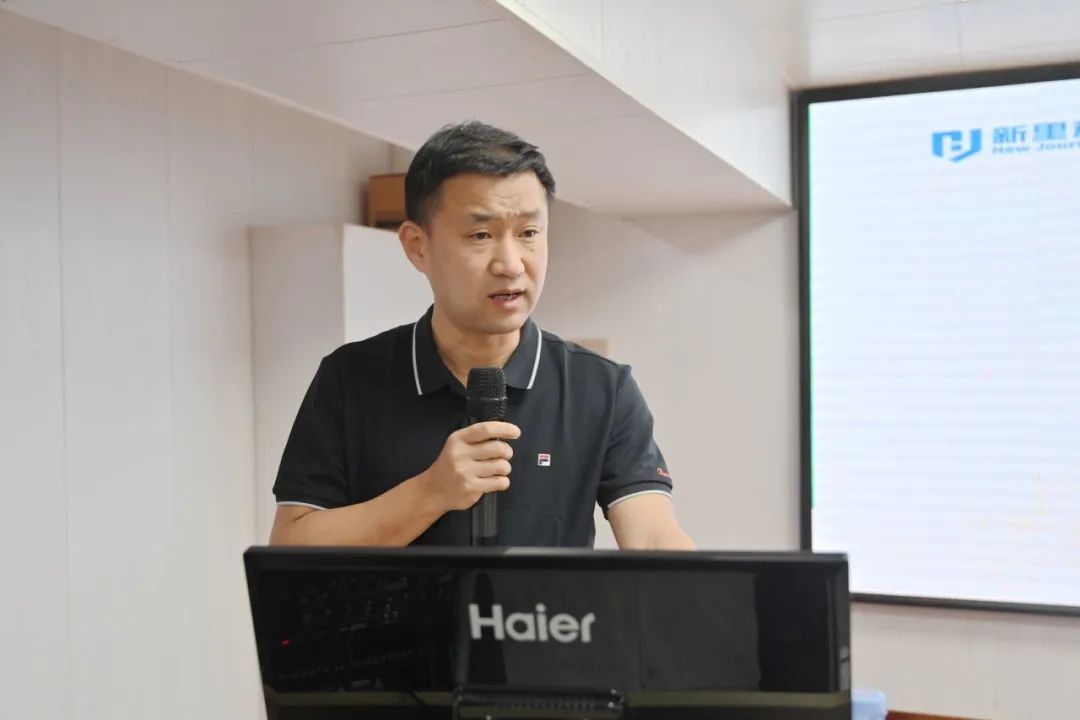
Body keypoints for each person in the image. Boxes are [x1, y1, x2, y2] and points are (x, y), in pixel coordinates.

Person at [269, 121, 694, 550]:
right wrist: (430, 492)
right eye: (481, 235)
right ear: (417, 246)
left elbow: (654, 538)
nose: (510, 264)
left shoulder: (601, 388)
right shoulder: (350, 378)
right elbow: (291, 545)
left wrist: (713, 587)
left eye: (529, 233)